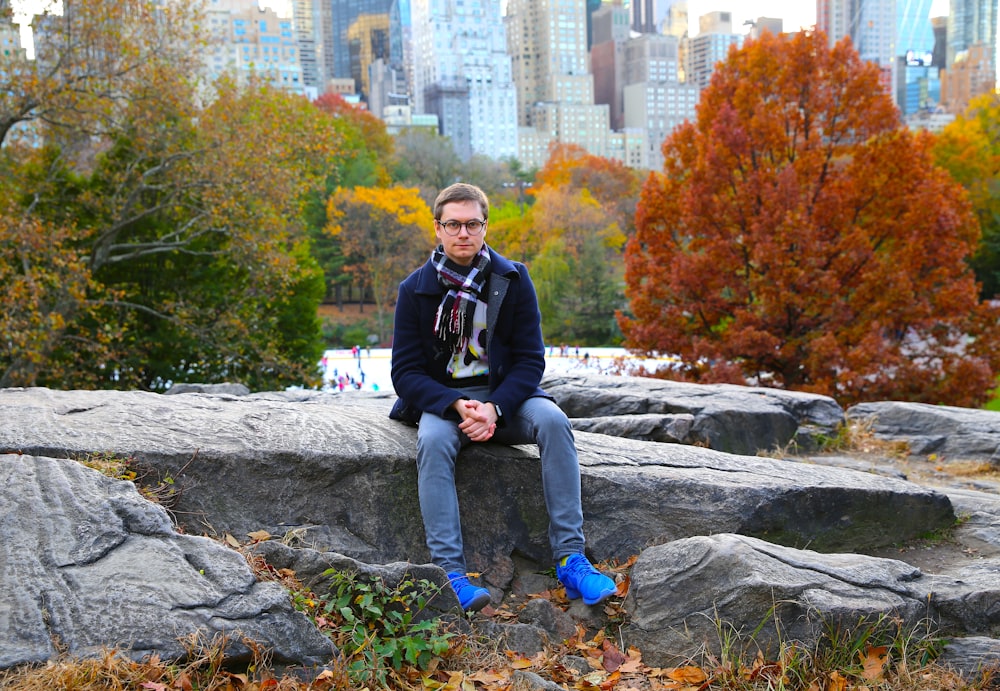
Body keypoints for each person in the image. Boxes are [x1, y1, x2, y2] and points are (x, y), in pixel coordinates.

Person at [389, 182, 616, 612]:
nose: (463, 233)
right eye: (453, 224)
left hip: (505, 399)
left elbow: (531, 360)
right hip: (447, 402)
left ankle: (571, 558)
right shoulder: (414, 289)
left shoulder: (512, 279)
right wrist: (456, 405)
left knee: (553, 421)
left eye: (472, 223)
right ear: (437, 228)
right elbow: (405, 372)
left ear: (485, 225)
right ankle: (450, 574)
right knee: (433, 441)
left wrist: (495, 407)